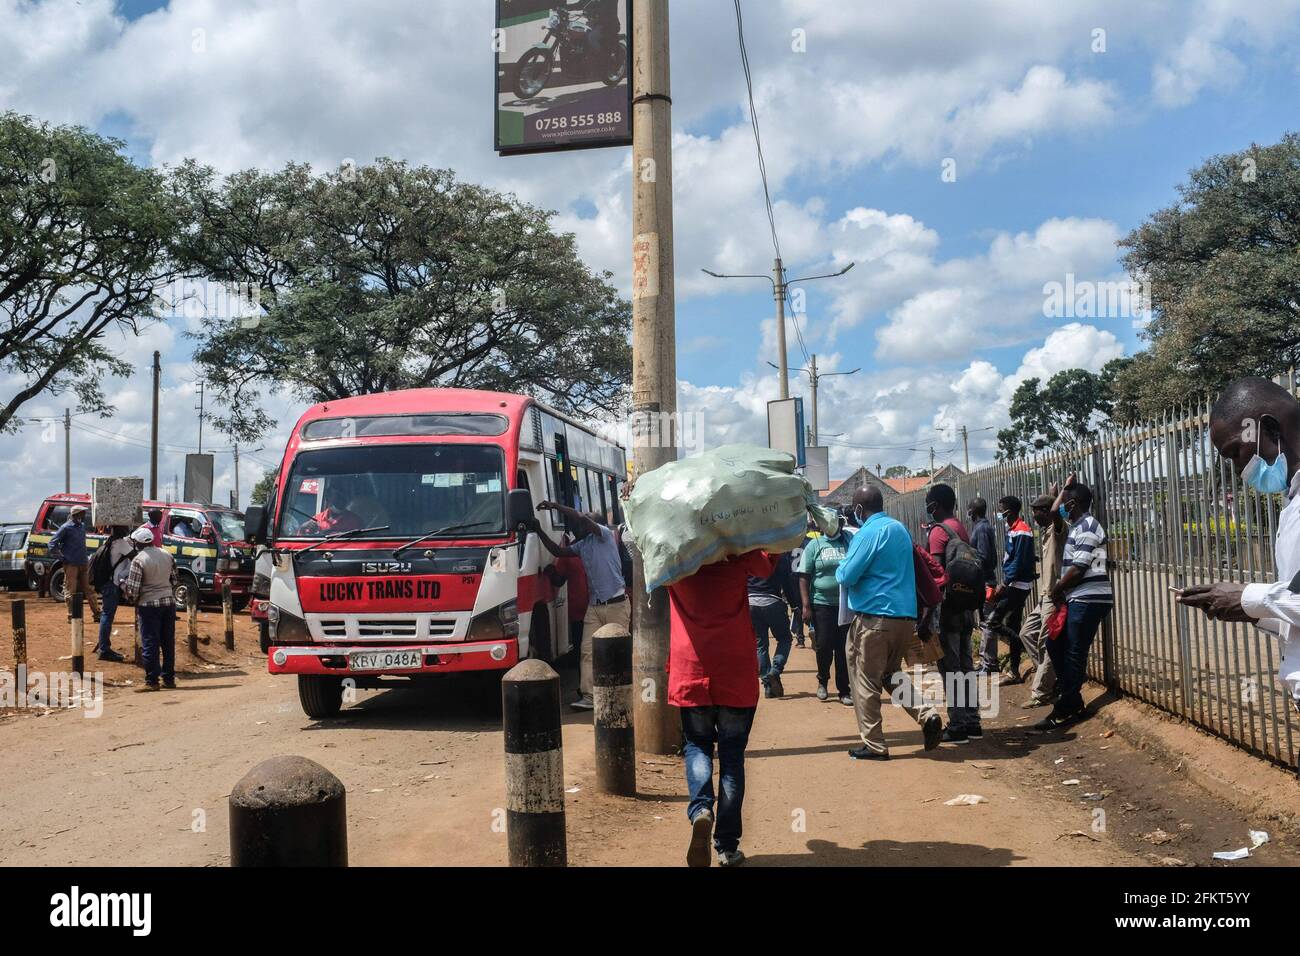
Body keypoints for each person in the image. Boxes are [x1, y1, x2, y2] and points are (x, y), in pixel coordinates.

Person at [1179, 377, 1300, 709]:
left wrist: (1250, 597)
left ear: (1272, 430)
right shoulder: (1292, 506)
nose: (1237, 469)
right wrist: (1249, 611)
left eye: (1235, 451)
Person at [667, 548, 776, 867]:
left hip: (691, 668)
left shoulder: (676, 555)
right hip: (734, 669)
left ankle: (701, 809)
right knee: (731, 756)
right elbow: (767, 566)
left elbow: (647, 557)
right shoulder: (737, 549)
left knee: (697, 745)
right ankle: (727, 848)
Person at [836, 486, 943, 759]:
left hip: (874, 619)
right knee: (891, 675)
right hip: (904, 619)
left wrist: (841, 566)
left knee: (865, 681)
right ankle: (927, 715)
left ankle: (874, 744)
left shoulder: (868, 533)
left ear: (858, 510)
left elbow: (847, 575)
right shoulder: (899, 529)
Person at [532, 500, 628, 711]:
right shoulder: (582, 546)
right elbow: (557, 551)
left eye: (584, 525)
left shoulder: (604, 537)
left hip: (616, 604)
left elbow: (582, 518)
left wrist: (556, 507)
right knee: (586, 651)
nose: (579, 528)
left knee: (619, 651)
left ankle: (623, 694)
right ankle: (590, 696)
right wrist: (538, 529)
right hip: (594, 606)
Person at [1034, 478, 1113, 730]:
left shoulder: (1089, 526)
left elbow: (1079, 568)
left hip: (1089, 597)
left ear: (1073, 503)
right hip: (1078, 596)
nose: (1061, 506)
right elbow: (1055, 512)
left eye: (1066, 501)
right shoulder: (1077, 525)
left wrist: (1058, 588)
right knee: (1055, 644)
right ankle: (1072, 697)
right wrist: (1059, 492)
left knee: (1073, 652)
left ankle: (1067, 706)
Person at [925, 484, 982, 742]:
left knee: (951, 667)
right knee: (966, 665)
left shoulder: (938, 532)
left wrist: (927, 614)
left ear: (934, 505)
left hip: (948, 611)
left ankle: (957, 725)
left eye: (929, 505)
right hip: (967, 608)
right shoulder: (959, 527)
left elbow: (935, 575)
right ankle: (972, 722)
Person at [799, 515, 853, 704]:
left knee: (843, 648)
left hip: (845, 604)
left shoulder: (848, 541)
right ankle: (822, 681)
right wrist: (806, 605)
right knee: (823, 646)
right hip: (821, 603)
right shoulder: (815, 545)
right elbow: (804, 575)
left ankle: (844, 690)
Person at [984, 495, 1037, 685]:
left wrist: (1004, 584)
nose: (998, 512)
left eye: (1000, 508)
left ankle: (1022, 645)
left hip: (1016, 585)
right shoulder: (1013, 529)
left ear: (1009, 511)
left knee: (994, 622)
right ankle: (1014, 670)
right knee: (1012, 624)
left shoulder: (1021, 531)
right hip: (1015, 584)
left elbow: (1019, 561)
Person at [1017, 492, 1063, 707]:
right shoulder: (1046, 532)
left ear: (1046, 512)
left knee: (1047, 643)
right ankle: (1050, 679)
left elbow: (1055, 512)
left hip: (1053, 596)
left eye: (1036, 511)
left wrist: (1062, 490)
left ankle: (1042, 692)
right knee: (1026, 633)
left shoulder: (1058, 530)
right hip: (1044, 596)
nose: (1033, 516)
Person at [122, 526, 178, 692]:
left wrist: (123, 586)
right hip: (168, 603)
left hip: (148, 606)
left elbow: (133, 590)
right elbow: (174, 580)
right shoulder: (167, 555)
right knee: (168, 642)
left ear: (138, 544)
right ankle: (168, 679)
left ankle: (152, 680)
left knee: (150, 642)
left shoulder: (138, 560)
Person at [748, 552, 794, 698]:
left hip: (750, 601)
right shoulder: (779, 553)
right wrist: (795, 605)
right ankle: (776, 669)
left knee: (760, 644)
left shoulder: (749, 553)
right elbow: (787, 582)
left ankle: (768, 686)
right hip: (772, 601)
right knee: (785, 638)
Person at [50, 504, 101, 620]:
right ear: (76, 514)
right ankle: (71, 615)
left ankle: (97, 613)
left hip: (83, 562)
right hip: (71, 564)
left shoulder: (82, 526)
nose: (84, 514)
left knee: (89, 589)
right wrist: (62, 558)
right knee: (70, 589)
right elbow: (52, 544)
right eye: (82, 512)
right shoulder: (65, 528)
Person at [545, 532, 589, 664]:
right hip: (586, 608)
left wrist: (551, 572)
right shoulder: (570, 552)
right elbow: (559, 580)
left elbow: (559, 580)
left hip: (584, 607)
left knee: (583, 647)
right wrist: (552, 572)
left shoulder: (571, 551)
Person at [967, 497, 999, 673]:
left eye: (969, 509)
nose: (968, 513)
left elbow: (984, 557)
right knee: (985, 622)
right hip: (983, 581)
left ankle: (990, 664)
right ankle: (986, 661)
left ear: (974, 511)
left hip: (986, 582)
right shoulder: (981, 527)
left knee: (987, 623)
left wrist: (969, 560)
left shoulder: (981, 529)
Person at [91, 525, 132, 662]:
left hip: (106, 583)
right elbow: (136, 557)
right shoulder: (121, 543)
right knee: (107, 616)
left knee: (106, 615)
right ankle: (104, 649)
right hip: (112, 584)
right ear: (123, 530)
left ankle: (102, 645)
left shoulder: (110, 541)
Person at [298, 488, 362, 536]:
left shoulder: (354, 520)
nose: (340, 502)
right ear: (328, 500)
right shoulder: (317, 519)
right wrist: (303, 528)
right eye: (336, 499)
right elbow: (302, 542)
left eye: (342, 499)